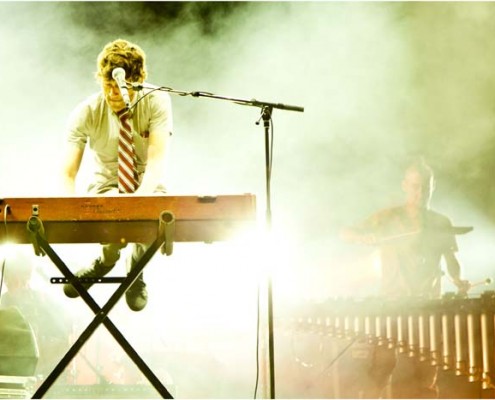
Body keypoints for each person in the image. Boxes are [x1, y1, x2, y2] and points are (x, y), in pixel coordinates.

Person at [340, 157, 471, 398]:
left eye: (426, 186)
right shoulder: (388, 217)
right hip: (393, 304)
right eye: (415, 186)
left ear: (433, 187)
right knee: (381, 368)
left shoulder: (441, 223)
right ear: (404, 186)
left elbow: (451, 260)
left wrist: (457, 279)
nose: (420, 192)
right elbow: (346, 233)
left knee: (426, 374)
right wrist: (363, 238)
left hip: (430, 306)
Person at [60, 39, 173, 311]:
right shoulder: (86, 111)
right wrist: (66, 207)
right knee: (112, 213)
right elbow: (68, 171)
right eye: (106, 85)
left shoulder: (157, 100)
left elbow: (156, 159)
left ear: (138, 80)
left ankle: (135, 274)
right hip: (106, 184)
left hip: (146, 180)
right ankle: (105, 261)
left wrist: (139, 202)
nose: (112, 94)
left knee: (154, 220)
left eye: (120, 87)